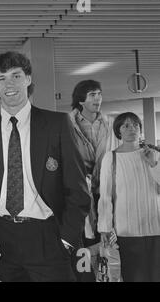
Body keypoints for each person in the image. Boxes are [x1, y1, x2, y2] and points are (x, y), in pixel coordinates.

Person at [0, 51, 89, 281]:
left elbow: (77, 188)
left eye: (16, 75)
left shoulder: (57, 124)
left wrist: (67, 238)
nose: (9, 83)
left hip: (47, 236)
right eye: (2, 78)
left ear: (28, 79)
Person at [98, 112, 160, 282]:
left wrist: (154, 164)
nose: (131, 128)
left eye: (135, 125)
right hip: (126, 230)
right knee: (134, 276)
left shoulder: (153, 154)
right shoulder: (111, 158)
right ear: (119, 131)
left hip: (156, 226)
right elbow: (105, 196)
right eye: (126, 125)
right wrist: (105, 227)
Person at [68, 80, 119, 281]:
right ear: (81, 99)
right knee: (82, 238)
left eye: (99, 94)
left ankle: (104, 276)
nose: (97, 98)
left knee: (105, 236)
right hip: (78, 190)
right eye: (92, 95)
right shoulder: (67, 123)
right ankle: (85, 277)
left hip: (103, 189)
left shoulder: (109, 124)